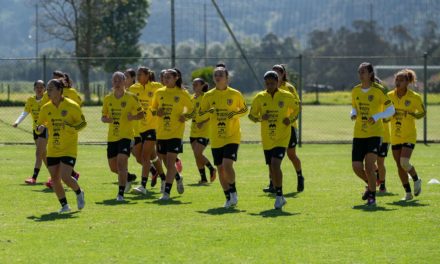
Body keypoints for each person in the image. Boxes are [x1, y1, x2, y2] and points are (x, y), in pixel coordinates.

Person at [198, 64, 248, 208]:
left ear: (227, 78)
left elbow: (244, 110)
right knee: (220, 168)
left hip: (232, 135)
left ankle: (233, 191)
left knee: (227, 165)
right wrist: (210, 112)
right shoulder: (208, 96)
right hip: (216, 137)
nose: (218, 76)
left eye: (220, 74)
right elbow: (201, 114)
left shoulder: (235, 94)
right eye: (216, 74)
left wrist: (234, 114)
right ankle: (228, 197)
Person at [249, 71, 299, 209]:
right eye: (267, 83)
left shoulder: (286, 96)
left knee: (276, 164)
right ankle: (280, 196)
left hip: (282, 137)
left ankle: (278, 196)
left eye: (272, 83)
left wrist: (290, 119)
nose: (270, 86)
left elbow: (297, 109)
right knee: (272, 168)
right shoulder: (260, 97)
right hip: (267, 138)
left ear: (278, 82)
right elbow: (251, 116)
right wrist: (260, 118)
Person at [35, 79, 87, 213]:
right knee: (54, 178)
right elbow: (39, 125)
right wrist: (39, 128)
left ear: (59, 90)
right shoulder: (45, 107)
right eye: (47, 89)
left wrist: (70, 128)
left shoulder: (72, 105)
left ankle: (79, 192)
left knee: (65, 176)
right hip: (53, 148)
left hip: (69, 147)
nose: (48, 91)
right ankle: (64, 205)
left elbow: (82, 124)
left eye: (51, 88)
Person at [350, 62, 395, 206]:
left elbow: (391, 110)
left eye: (363, 71)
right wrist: (353, 113)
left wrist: (377, 116)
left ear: (370, 74)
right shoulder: (355, 90)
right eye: (359, 72)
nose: (360, 74)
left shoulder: (379, 90)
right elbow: (354, 107)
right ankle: (371, 185)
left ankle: (372, 197)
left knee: (369, 166)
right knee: (357, 167)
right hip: (359, 134)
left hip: (375, 134)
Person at [151, 69, 194, 200]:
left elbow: (193, 110)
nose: (166, 79)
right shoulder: (159, 93)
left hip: (176, 134)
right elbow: (152, 109)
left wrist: (185, 117)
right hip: (161, 133)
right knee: (164, 161)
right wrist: (156, 112)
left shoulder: (182, 93)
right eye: (164, 77)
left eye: (169, 77)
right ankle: (178, 177)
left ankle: (166, 193)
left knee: (170, 163)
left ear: (176, 78)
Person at [102, 72, 144, 201]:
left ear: (125, 81)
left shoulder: (131, 98)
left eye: (119, 80)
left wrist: (133, 117)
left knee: (121, 164)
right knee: (113, 168)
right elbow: (103, 117)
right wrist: (108, 120)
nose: (117, 83)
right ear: (112, 83)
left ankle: (120, 194)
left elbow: (141, 114)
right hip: (112, 137)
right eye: (114, 80)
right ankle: (129, 177)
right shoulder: (108, 99)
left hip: (126, 136)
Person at [388, 69, 426, 201]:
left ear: (407, 82)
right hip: (395, 135)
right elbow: (385, 117)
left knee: (404, 162)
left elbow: (423, 112)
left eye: (401, 80)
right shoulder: (389, 96)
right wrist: (388, 117)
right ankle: (408, 194)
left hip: (409, 135)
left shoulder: (414, 97)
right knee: (399, 166)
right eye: (396, 80)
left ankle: (416, 179)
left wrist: (412, 115)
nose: (397, 82)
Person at [129, 67, 167, 195]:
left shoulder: (156, 87)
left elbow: (167, 93)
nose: (138, 76)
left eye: (140, 74)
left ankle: (143, 186)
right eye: (137, 74)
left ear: (147, 75)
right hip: (138, 129)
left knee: (145, 156)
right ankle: (164, 178)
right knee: (144, 157)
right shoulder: (133, 88)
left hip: (152, 127)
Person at [43, 71, 82, 188]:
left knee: (43, 152)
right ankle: (62, 176)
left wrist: (72, 124)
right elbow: (45, 110)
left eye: (57, 79)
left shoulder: (72, 93)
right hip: (53, 130)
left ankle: (63, 177)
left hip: (68, 137)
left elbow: (79, 109)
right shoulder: (48, 95)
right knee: (45, 152)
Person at [271, 64, 304, 193]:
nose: (276, 74)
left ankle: (300, 176)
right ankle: (272, 184)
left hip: (288, 127)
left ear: (283, 74)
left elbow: (298, 106)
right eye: (274, 72)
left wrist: (289, 119)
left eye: (279, 72)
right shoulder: (270, 87)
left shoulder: (289, 88)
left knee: (291, 155)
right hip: (274, 128)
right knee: (272, 156)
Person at [13, 80, 48, 184]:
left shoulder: (47, 98)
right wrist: (17, 122)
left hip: (45, 128)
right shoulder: (30, 100)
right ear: (34, 89)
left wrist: (44, 125)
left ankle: (34, 178)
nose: (39, 89)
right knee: (43, 154)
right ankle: (61, 175)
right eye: (37, 87)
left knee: (38, 153)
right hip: (35, 129)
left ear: (44, 89)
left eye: (41, 87)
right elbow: (25, 112)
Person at [190, 78, 217, 184]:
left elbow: (213, 113)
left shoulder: (206, 97)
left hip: (205, 131)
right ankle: (203, 179)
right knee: (197, 155)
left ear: (202, 86)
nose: (194, 86)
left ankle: (212, 169)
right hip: (194, 131)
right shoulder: (192, 98)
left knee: (198, 153)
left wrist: (203, 122)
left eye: (196, 84)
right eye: (193, 84)